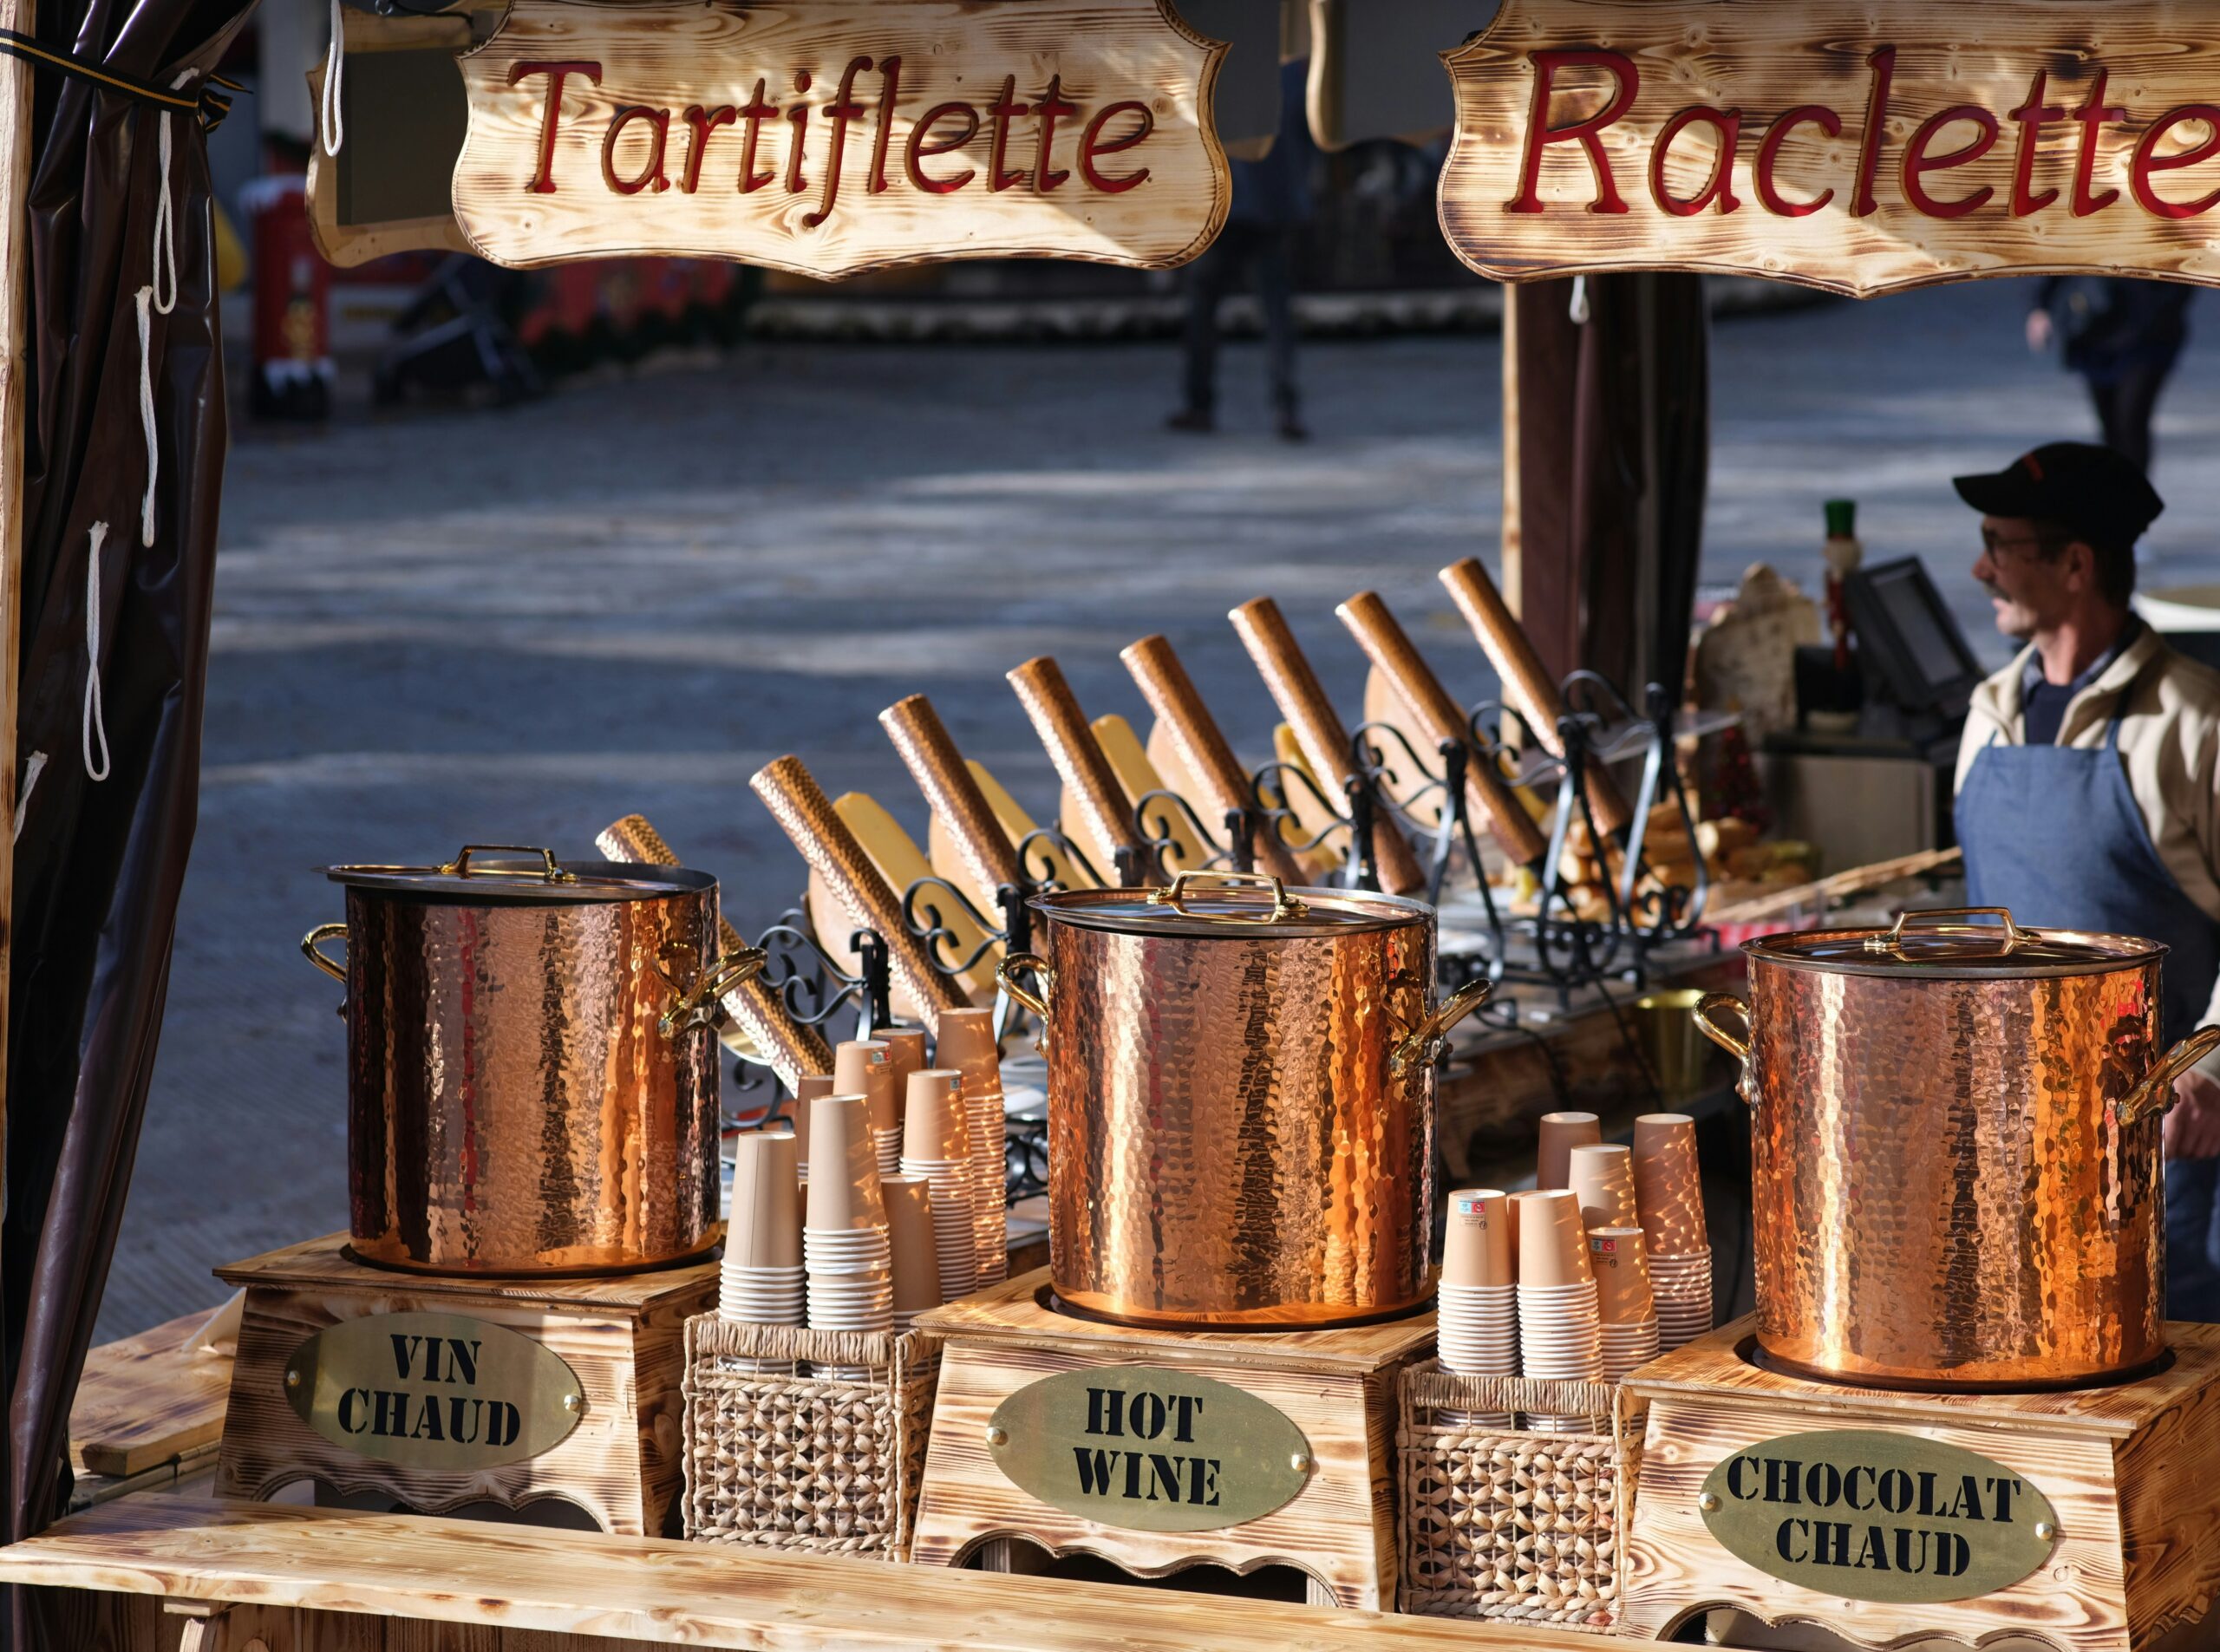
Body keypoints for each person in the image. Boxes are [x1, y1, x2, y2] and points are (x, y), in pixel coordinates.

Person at [1952, 442, 2220, 1318]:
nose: (1979, 566)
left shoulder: (2189, 721)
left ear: (2075, 565)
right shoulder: (1986, 713)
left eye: (2001, 543)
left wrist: (2212, 1072)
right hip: (2010, 1140)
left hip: (2161, 1147)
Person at [1169, 57, 1314, 441]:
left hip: (1227, 211)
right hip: (1273, 208)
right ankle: (1286, 408)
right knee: (1275, 312)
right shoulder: (1291, 71)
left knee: (1204, 309)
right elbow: (1308, 138)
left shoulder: (1209, 68)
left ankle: (1200, 405)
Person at [2027, 279, 2195, 473]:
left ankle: (2133, 494)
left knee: (2132, 420)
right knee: (2110, 425)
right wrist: (2039, 307)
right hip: (2095, 329)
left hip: (2148, 334)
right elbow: (2060, 257)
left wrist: (2165, 307)